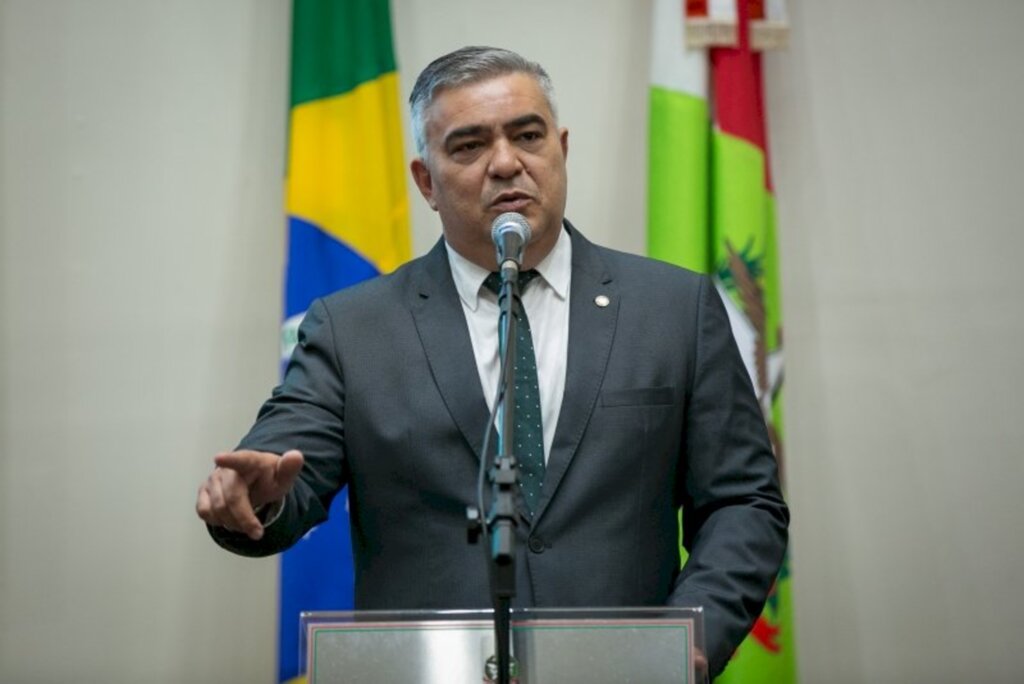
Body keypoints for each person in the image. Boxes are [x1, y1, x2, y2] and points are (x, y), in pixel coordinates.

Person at [196, 46, 788, 679]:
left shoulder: (673, 309)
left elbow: (743, 501)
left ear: (561, 147)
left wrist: (691, 636)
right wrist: (254, 499)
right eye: (469, 146)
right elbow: (287, 467)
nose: (506, 163)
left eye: (527, 136)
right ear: (426, 181)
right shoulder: (353, 329)